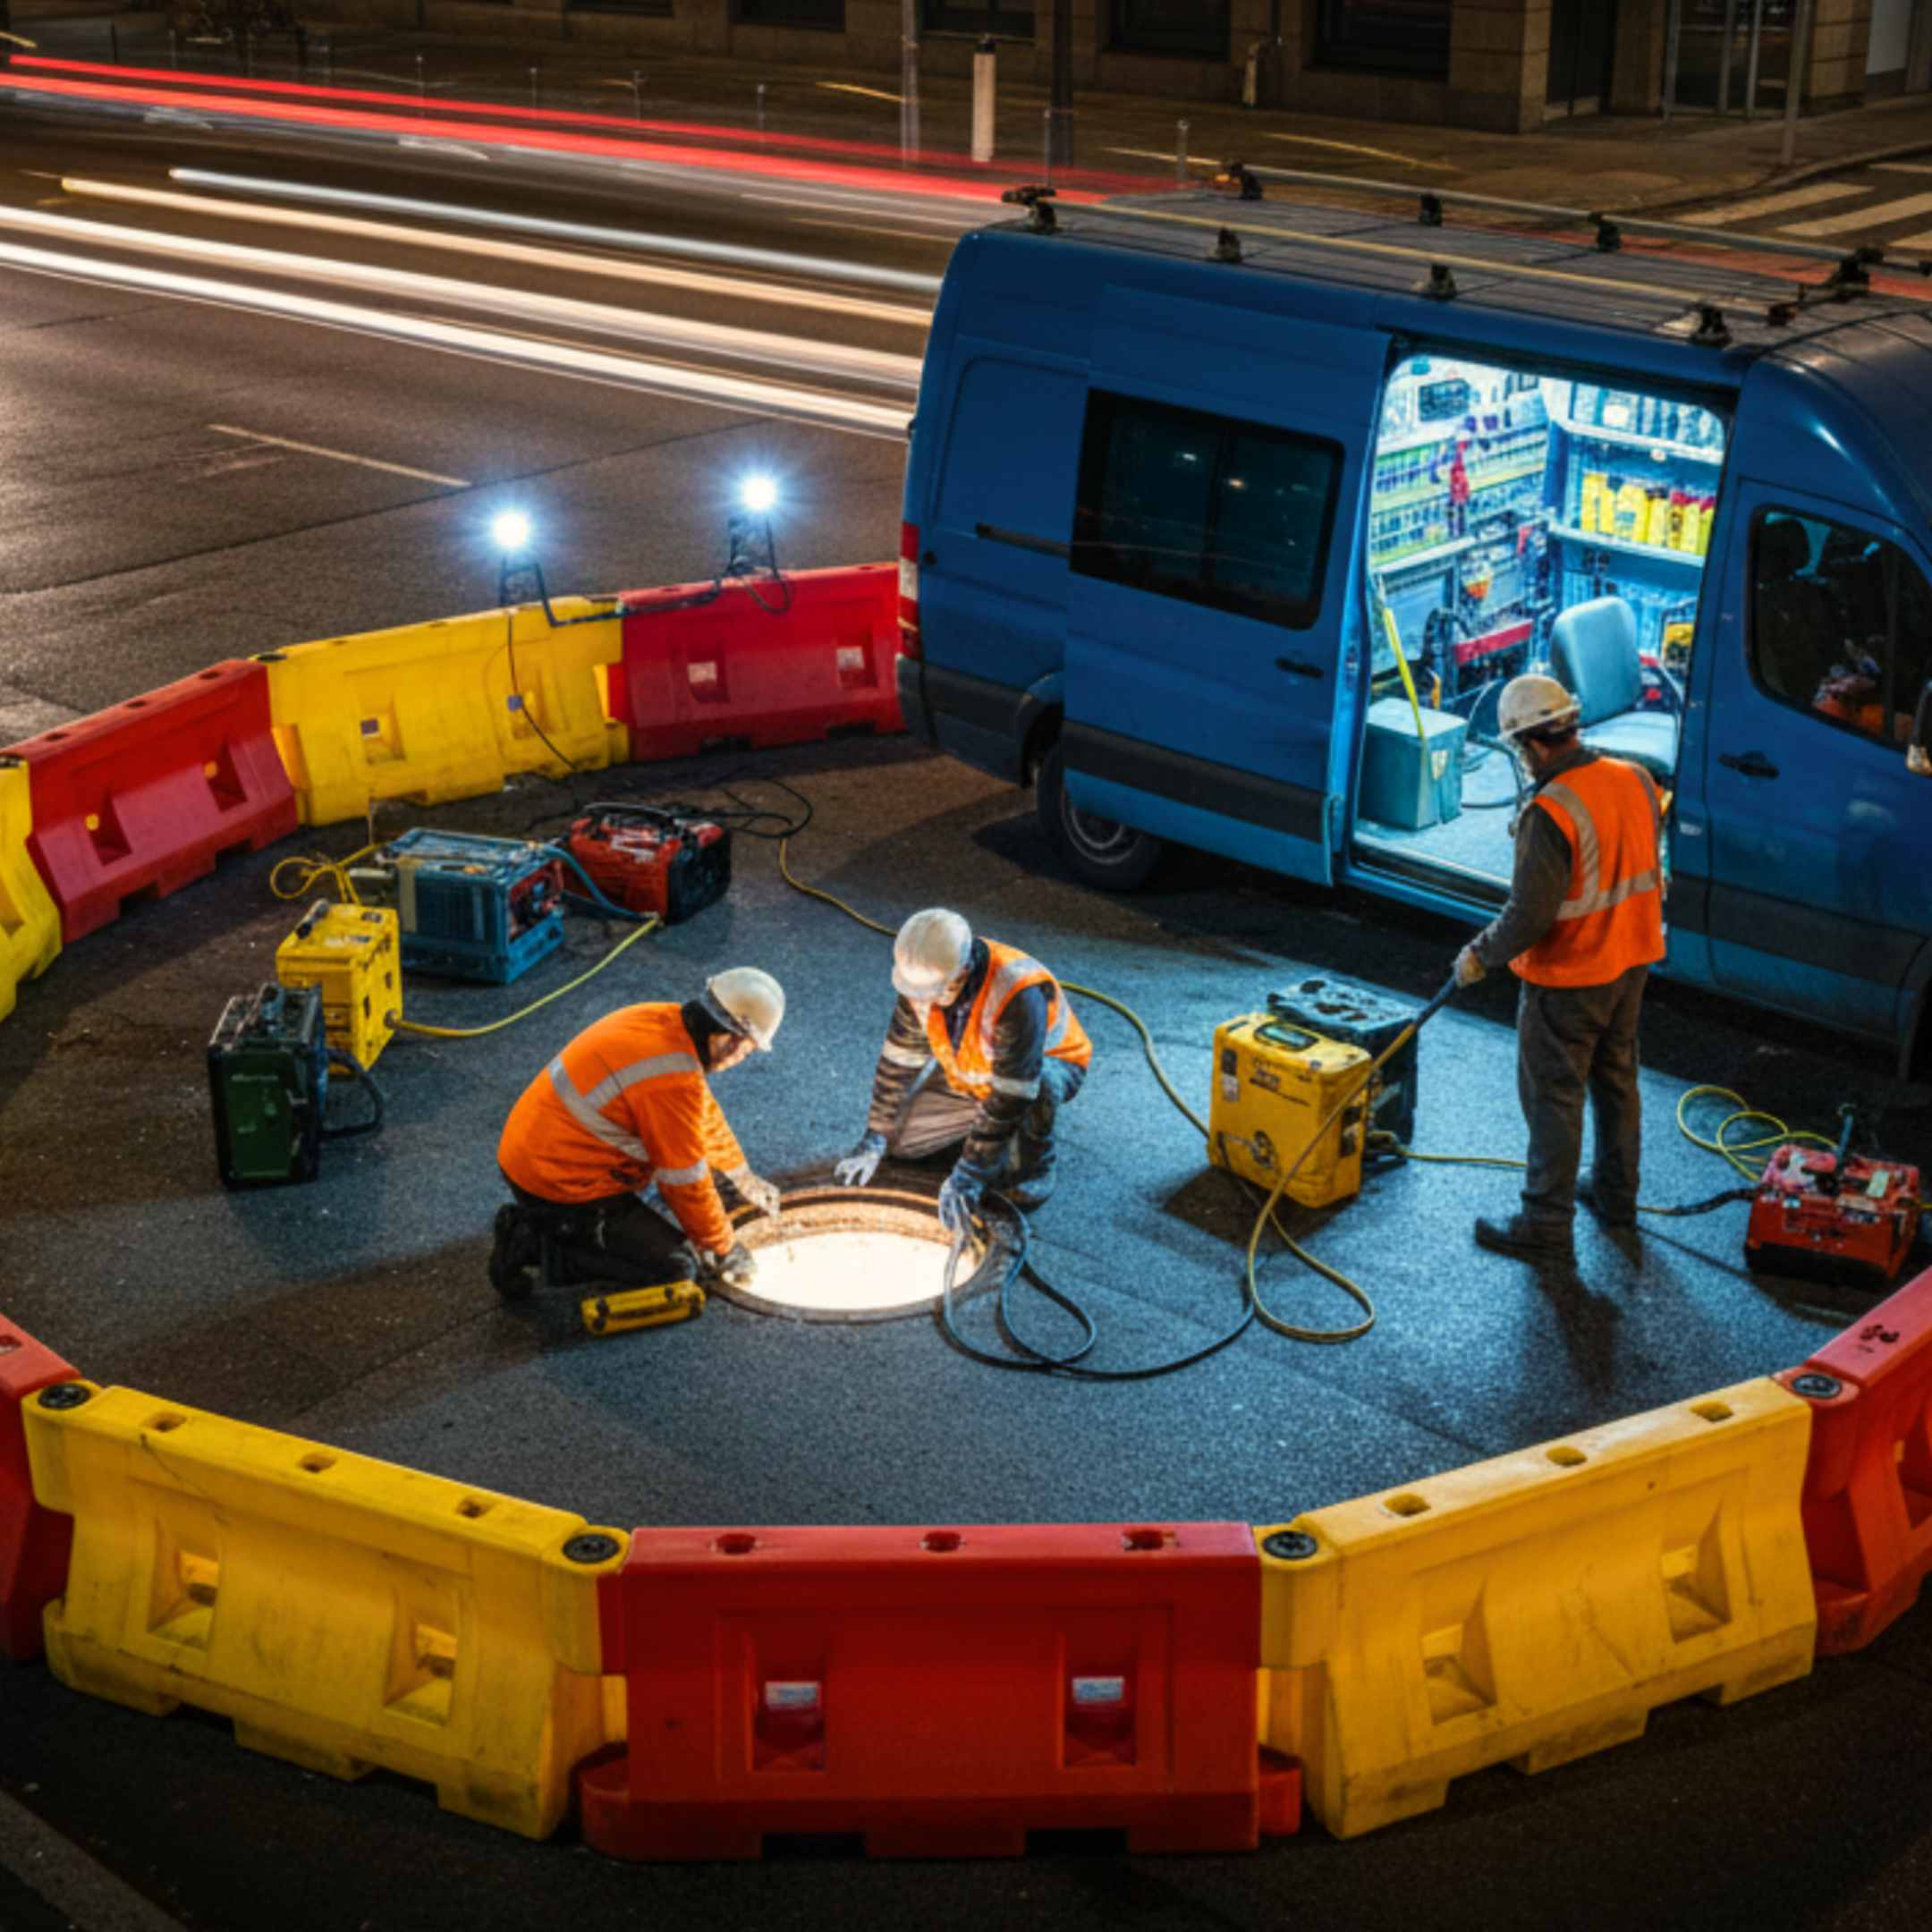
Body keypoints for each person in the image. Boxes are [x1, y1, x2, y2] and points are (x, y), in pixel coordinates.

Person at [1454, 673, 1665, 1261]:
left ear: (1529, 743)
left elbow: (1529, 914)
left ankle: (1545, 1223)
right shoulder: (1635, 777)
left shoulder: (1551, 809)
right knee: (1616, 1081)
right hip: (1632, 959)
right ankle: (1616, 1196)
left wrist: (1479, 955)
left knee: (1554, 1095)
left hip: (1572, 976)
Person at [488, 968, 786, 1301]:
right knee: (678, 1268)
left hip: (532, 1154)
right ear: (729, 1042)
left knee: (664, 1233)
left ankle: (556, 1227)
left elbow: (702, 1117)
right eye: (748, 1051)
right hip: (560, 1184)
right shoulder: (671, 1080)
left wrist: (741, 1178)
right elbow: (683, 1181)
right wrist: (722, 1248)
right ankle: (534, 1242)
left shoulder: (661, 1020)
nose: (742, 1058)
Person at [834, 909, 1090, 1232]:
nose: (922, 1000)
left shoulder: (1016, 992)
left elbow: (1012, 1092)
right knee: (901, 1146)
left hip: (1039, 1071)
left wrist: (969, 1175)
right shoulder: (921, 976)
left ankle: (1036, 1165)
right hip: (971, 1071)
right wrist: (875, 1136)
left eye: (932, 991)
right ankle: (986, 1138)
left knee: (1038, 1091)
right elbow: (898, 1062)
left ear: (963, 971)